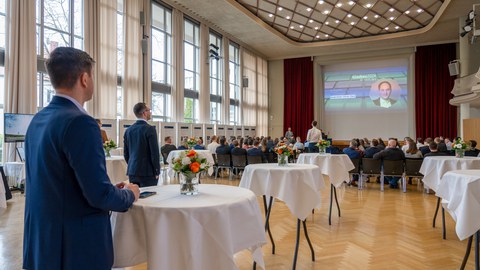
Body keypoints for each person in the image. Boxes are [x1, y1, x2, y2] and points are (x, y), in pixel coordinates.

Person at [23, 47, 140, 270]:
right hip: (74, 247)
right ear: (85, 78)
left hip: (43, 243)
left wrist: (108, 188)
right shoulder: (81, 123)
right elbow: (99, 196)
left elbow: (57, 182)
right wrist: (129, 194)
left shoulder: (38, 120)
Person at [123, 102, 160, 187]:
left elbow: (126, 153)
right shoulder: (150, 129)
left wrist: (132, 165)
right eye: (149, 110)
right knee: (150, 198)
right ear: (144, 113)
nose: (150, 112)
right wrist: (156, 170)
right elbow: (154, 153)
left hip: (132, 171)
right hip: (148, 172)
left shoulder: (128, 130)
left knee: (136, 199)